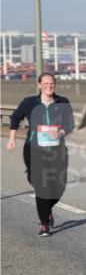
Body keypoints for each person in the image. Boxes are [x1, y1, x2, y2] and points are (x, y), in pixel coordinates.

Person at [6, 73, 75, 236]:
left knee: (59, 186)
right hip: (34, 149)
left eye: (51, 83)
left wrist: (61, 132)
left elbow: (70, 123)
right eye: (45, 83)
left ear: (55, 85)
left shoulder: (62, 102)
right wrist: (12, 140)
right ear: (39, 85)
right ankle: (45, 223)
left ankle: (47, 209)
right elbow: (15, 118)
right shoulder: (29, 102)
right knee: (41, 186)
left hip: (57, 150)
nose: (49, 86)